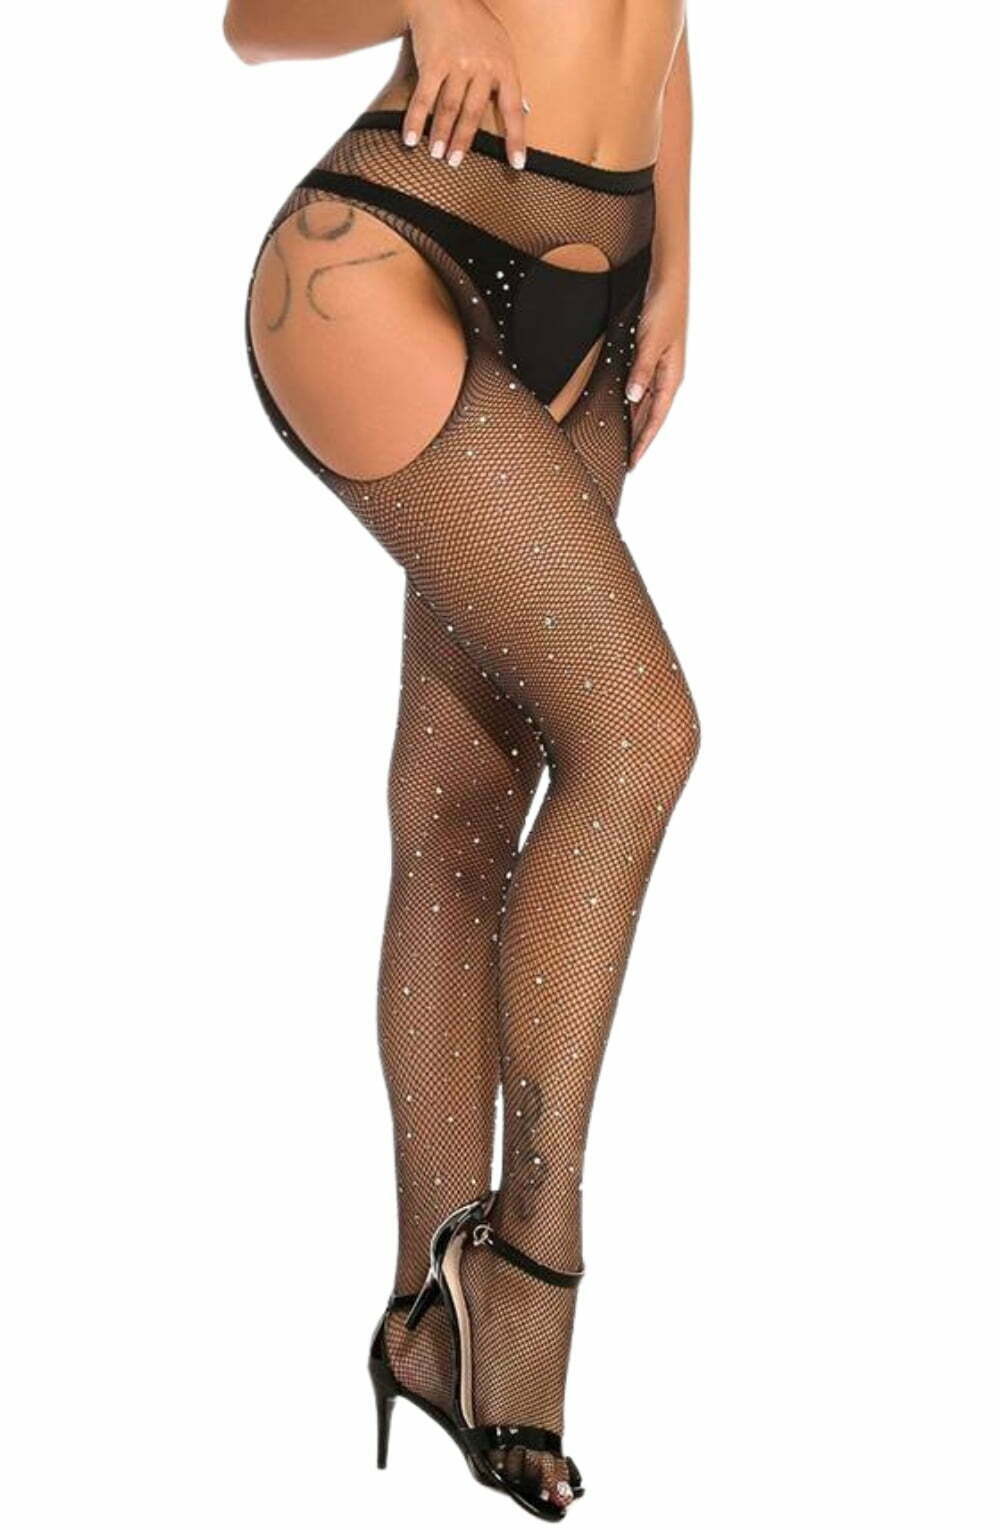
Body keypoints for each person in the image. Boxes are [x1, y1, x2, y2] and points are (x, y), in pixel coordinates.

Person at [223, 0, 699, 1516]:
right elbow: (249, 22)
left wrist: (679, 249)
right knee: (640, 733)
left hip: (600, 267)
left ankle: (424, 1310)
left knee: (462, 805)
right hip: (394, 248)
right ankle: (530, 1253)